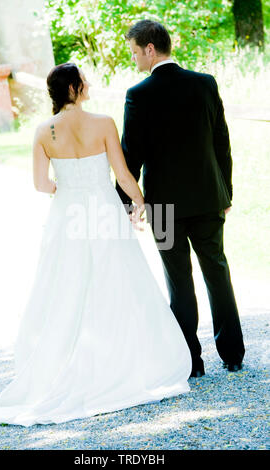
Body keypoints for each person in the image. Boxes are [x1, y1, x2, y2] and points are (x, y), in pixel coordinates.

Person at [0, 62, 192, 427]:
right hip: (104, 211)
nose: (89, 84)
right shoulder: (103, 123)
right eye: (85, 81)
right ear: (76, 87)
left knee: (67, 285)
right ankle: (121, 360)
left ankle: (69, 359)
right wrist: (140, 203)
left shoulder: (43, 132)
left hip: (68, 216)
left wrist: (67, 191)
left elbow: (41, 185)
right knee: (116, 282)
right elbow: (123, 175)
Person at [115, 20, 245, 378]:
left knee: (179, 280)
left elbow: (131, 157)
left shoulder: (138, 95)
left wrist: (125, 205)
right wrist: (226, 192)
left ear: (149, 49)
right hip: (207, 200)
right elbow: (222, 144)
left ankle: (192, 361)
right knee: (218, 274)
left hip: (165, 209)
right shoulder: (205, 84)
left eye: (134, 51)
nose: (134, 58)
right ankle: (233, 354)